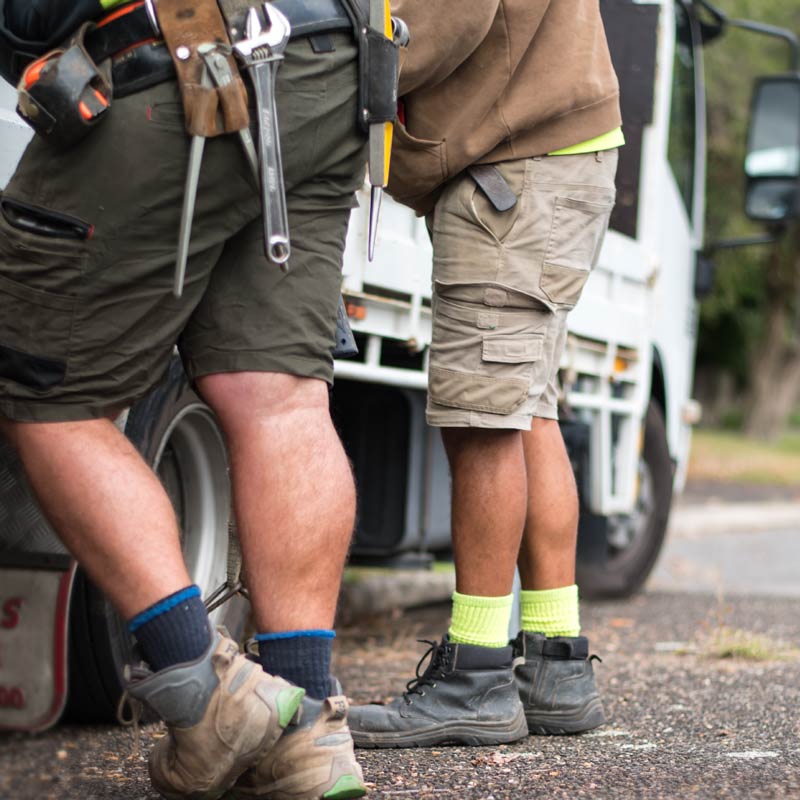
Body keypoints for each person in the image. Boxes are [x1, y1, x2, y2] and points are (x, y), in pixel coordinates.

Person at [0, 0, 373, 797]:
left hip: (181, 47)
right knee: (278, 396)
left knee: (46, 390)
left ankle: (203, 692)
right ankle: (305, 727)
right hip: (331, 63)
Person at [348, 0, 622, 748]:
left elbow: (446, 17)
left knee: (483, 422)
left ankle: (475, 676)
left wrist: (339, 58)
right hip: (554, 155)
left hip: (518, 165)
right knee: (526, 408)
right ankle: (554, 663)